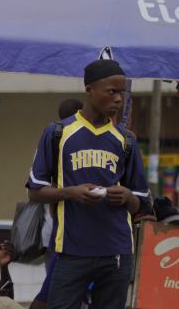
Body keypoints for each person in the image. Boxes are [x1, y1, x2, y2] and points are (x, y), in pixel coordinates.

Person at [27, 59, 150, 309]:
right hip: (71, 252)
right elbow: (35, 192)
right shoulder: (58, 133)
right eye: (112, 91)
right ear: (90, 90)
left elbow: (142, 204)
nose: (118, 99)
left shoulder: (126, 141)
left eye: (122, 93)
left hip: (117, 253)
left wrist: (127, 196)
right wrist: (70, 193)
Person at [30, 98, 84, 309]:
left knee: (56, 289)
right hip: (62, 231)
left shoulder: (51, 138)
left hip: (59, 230)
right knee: (54, 290)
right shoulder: (56, 139)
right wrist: (69, 194)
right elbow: (36, 191)